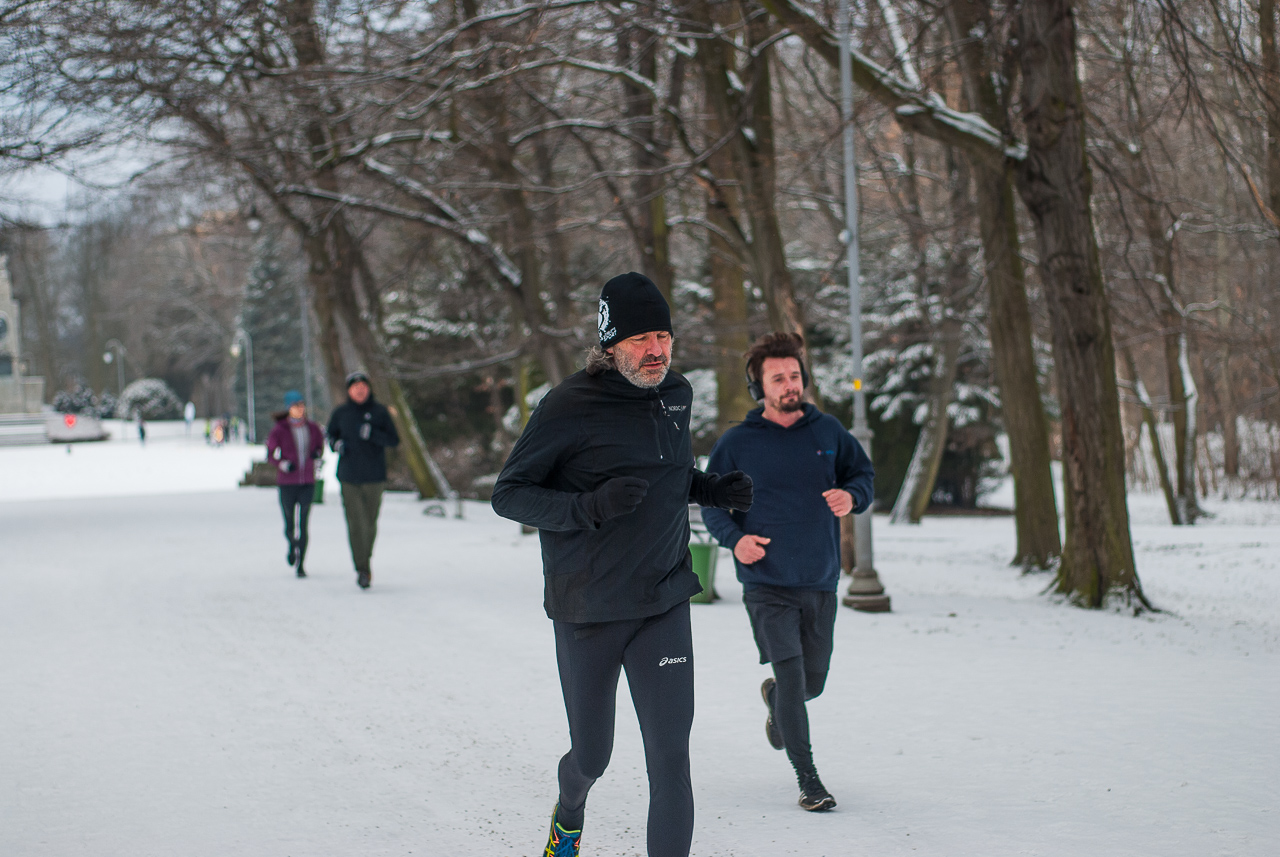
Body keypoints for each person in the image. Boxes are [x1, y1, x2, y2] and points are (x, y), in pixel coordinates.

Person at [491, 272, 753, 857]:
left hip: (662, 600)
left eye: (663, 335)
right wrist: (587, 506)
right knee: (593, 755)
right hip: (588, 607)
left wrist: (710, 490)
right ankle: (569, 811)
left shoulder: (676, 394)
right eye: (641, 339)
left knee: (670, 760)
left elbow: (667, 475)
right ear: (610, 343)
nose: (656, 350)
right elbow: (508, 494)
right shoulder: (568, 406)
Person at [700, 332, 874, 813]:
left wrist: (851, 496)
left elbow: (863, 477)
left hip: (819, 578)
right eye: (778, 378)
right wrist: (737, 540)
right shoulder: (738, 443)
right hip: (766, 584)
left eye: (794, 375)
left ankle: (776, 697)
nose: (789, 384)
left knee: (811, 683)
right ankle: (809, 780)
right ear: (759, 387)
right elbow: (712, 503)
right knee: (796, 683)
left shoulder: (829, 433)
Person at [327, 371, 400, 589]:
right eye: (355, 386)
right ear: (349, 390)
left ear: (369, 389)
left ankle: (364, 556)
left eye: (363, 386)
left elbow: (394, 440)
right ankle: (362, 568)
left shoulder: (379, 412)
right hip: (349, 477)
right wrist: (336, 445)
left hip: (374, 477)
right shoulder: (341, 413)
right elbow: (331, 436)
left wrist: (373, 434)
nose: (360, 390)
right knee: (355, 523)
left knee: (369, 523)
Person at [266, 390, 325, 578]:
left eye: (301, 405)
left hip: (307, 482)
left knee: (304, 523)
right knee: (289, 524)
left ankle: (301, 564)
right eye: (295, 406)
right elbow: (270, 454)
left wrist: (316, 454)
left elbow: (319, 447)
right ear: (288, 409)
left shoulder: (313, 428)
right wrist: (282, 464)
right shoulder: (279, 429)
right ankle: (292, 545)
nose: (299, 409)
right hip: (287, 483)